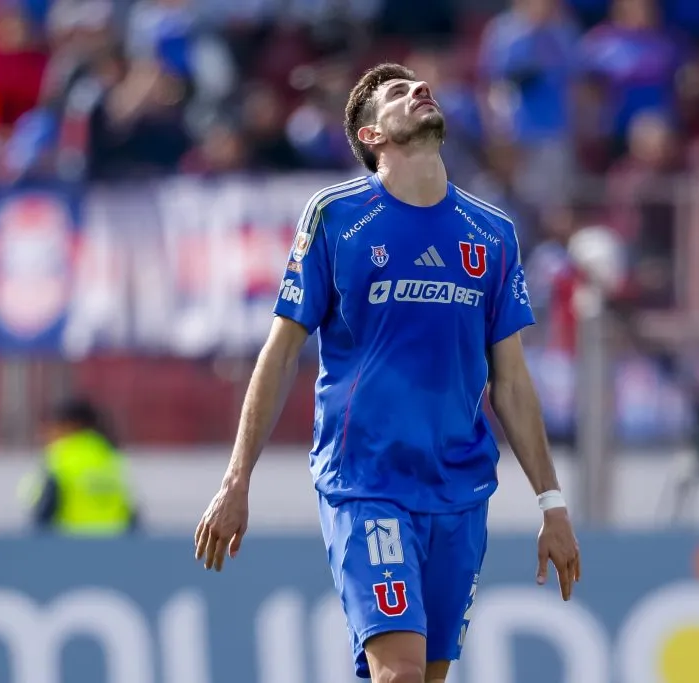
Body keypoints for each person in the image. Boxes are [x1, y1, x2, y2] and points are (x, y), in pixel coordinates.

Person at [193, 62, 581, 683]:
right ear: (372, 137)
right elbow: (281, 351)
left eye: (420, 86)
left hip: (459, 490)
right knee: (398, 673)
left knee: (422, 678)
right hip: (366, 482)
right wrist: (237, 480)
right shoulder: (337, 218)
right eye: (397, 94)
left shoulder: (494, 234)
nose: (418, 90)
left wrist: (552, 505)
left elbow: (510, 380)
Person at [21, 397, 139, 535]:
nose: (48, 433)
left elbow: (43, 514)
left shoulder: (60, 457)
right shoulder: (111, 456)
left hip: (71, 547)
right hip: (113, 547)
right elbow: (131, 514)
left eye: (53, 425)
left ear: (70, 425)